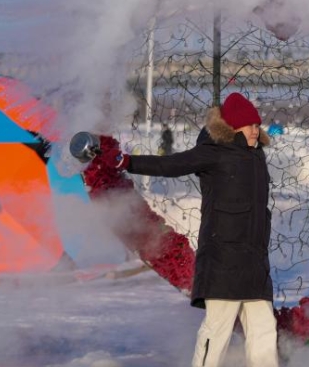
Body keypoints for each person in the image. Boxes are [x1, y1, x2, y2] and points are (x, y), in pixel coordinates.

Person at [93, 92, 279, 367]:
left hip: (254, 260)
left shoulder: (256, 157)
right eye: (251, 125)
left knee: (264, 329)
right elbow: (171, 164)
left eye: (257, 125)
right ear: (234, 127)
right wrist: (128, 162)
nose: (256, 131)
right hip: (223, 259)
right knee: (217, 330)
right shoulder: (214, 152)